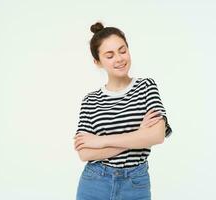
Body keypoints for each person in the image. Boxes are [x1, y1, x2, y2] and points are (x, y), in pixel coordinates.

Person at [73, 21, 173, 200]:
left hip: (135, 183)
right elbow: (85, 153)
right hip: (94, 182)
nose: (119, 59)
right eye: (109, 55)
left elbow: (157, 136)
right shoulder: (90, 100)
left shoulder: (146, 86)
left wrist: (101, 141)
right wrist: (139, 135)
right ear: (98, 62)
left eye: (122, 50)